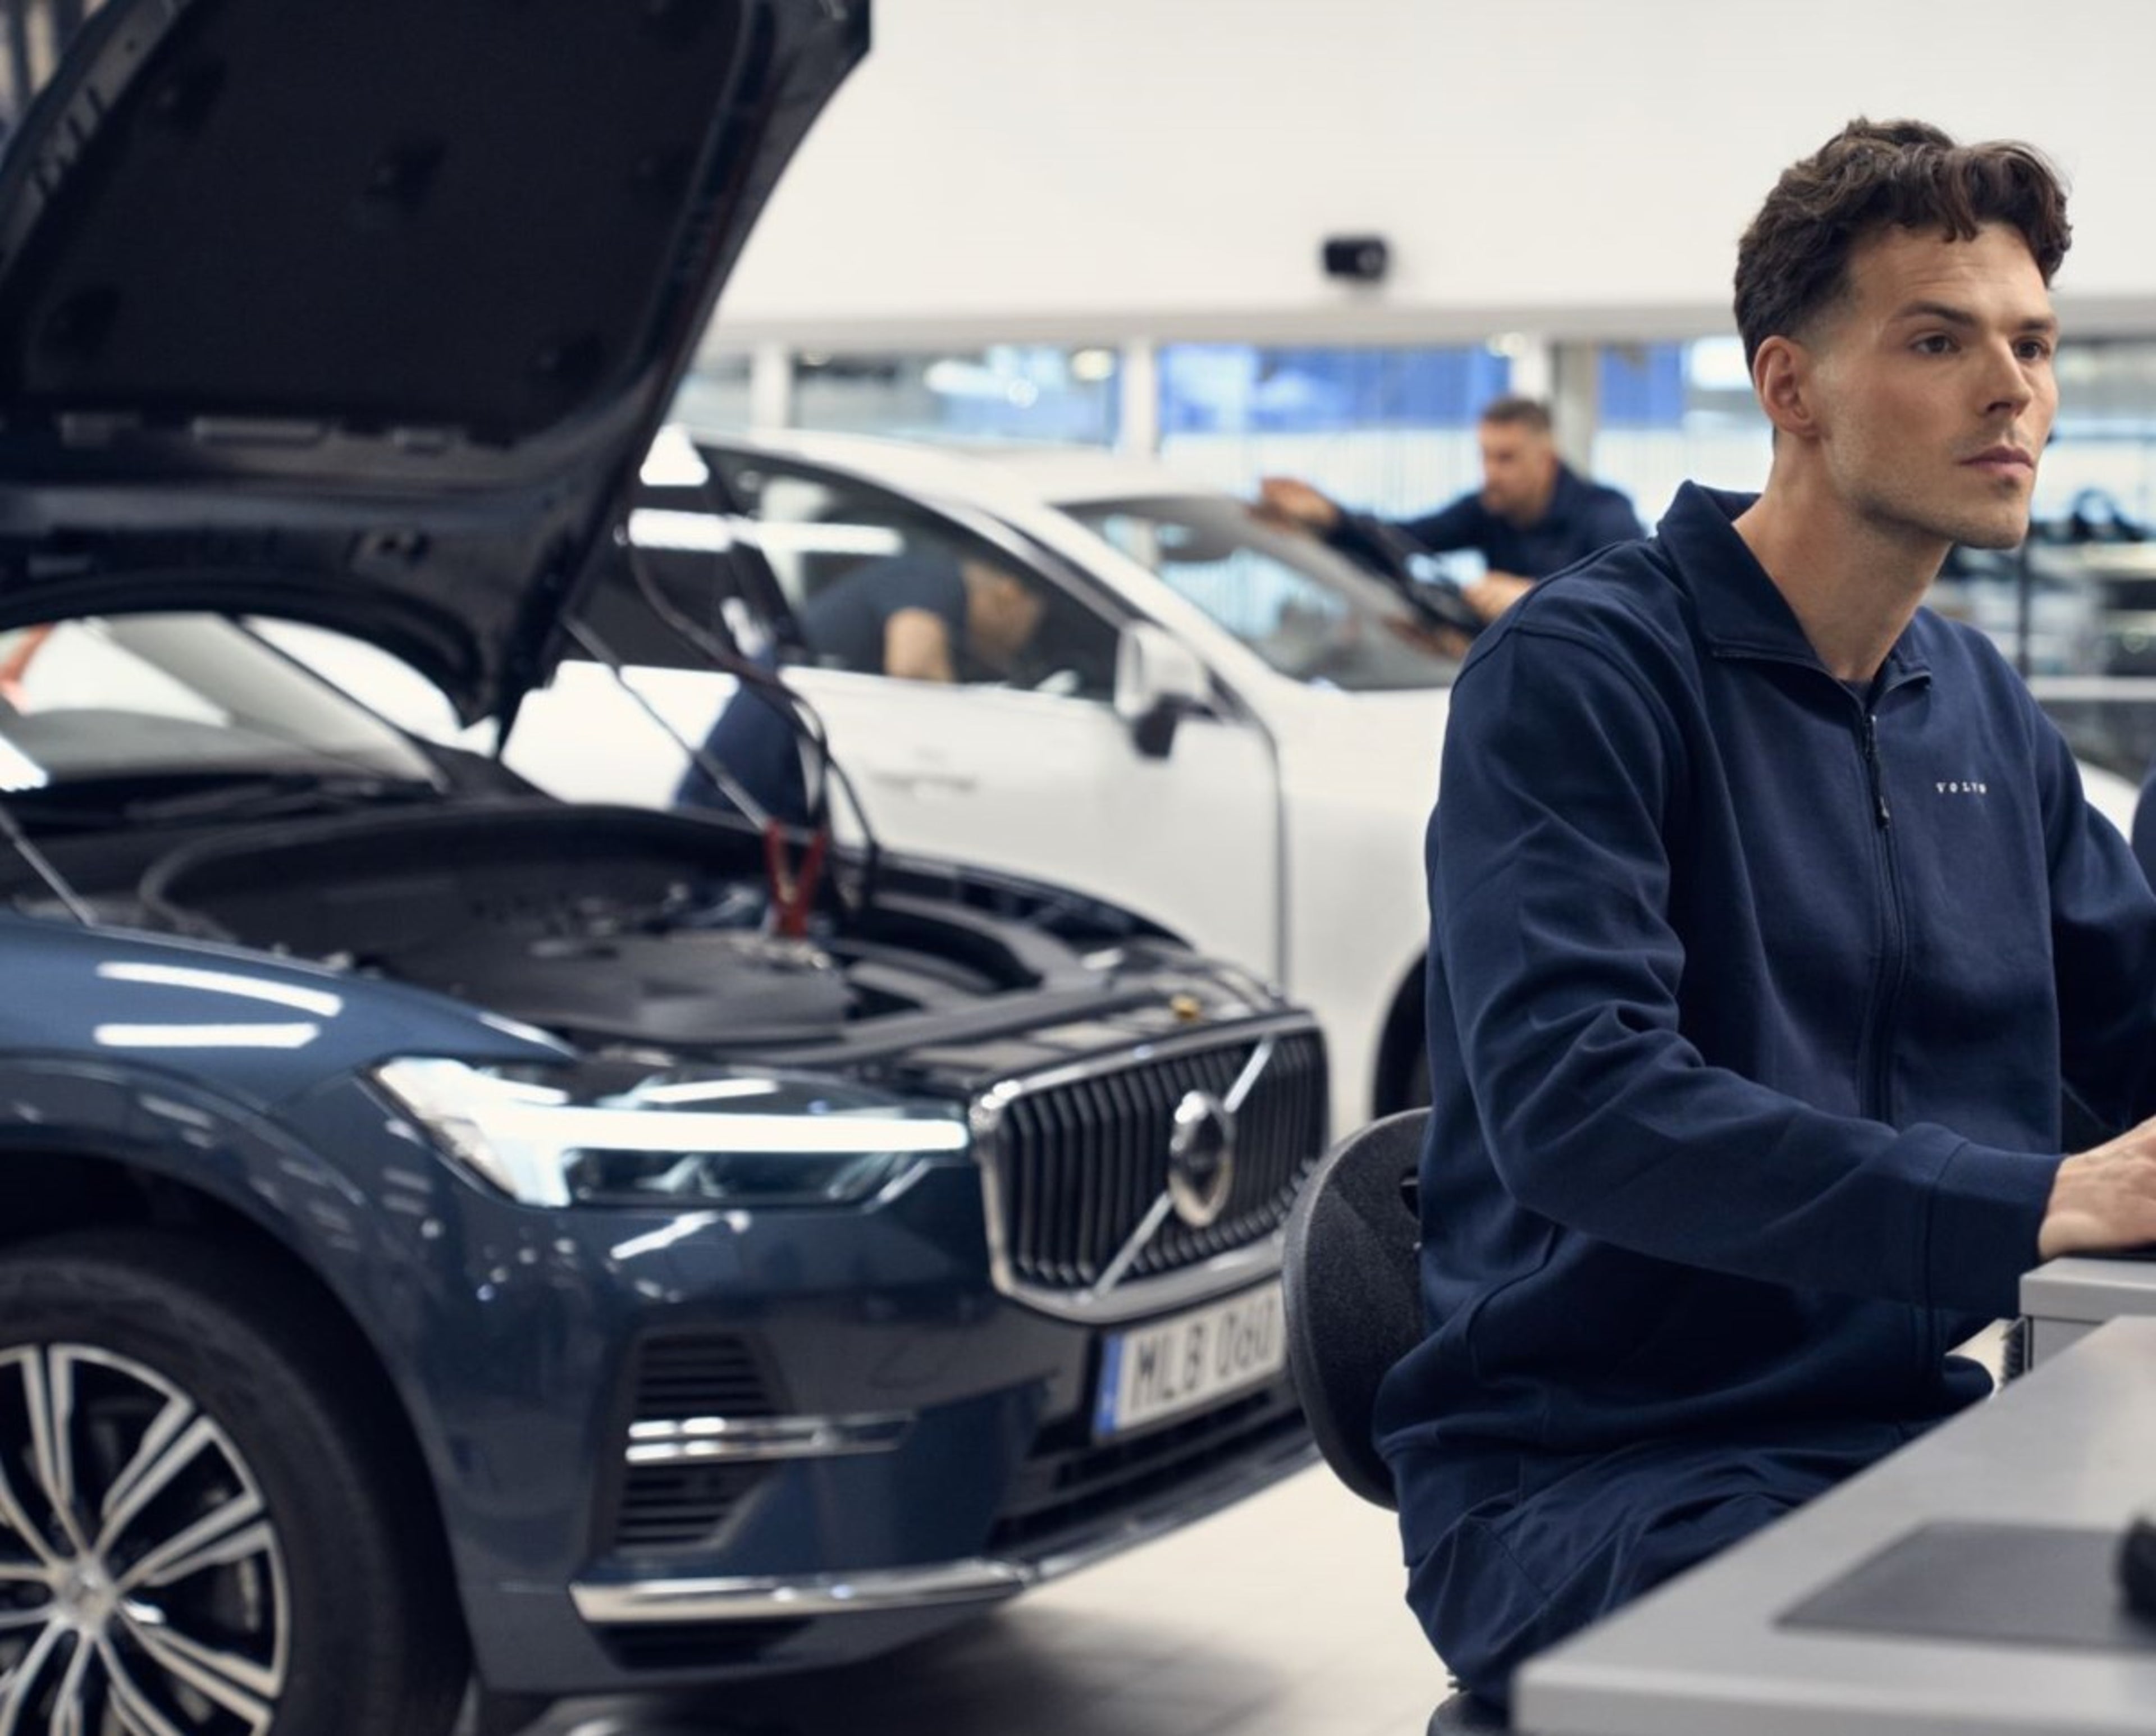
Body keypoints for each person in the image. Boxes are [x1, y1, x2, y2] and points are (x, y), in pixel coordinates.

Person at [1371, 117, 2156, 1720]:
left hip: (1904, 1428)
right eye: (1937, 340)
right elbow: (1581, 1105)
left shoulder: (1974, 704)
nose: (2010, 390)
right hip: (1592, 1472)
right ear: (1789, 387)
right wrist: (2030, 1198)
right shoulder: (1582, 676)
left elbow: (2135, 1020)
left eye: (2030, 344)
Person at [675, 549, 1045, 824]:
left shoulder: (925, 583)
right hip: (747, 785)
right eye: (1033, 625)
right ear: (1010, 594)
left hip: (772, 779)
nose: (1023, 643)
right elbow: (914, 664)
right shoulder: (935, 576)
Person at [1257, 396, 1643, 624]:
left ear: (1546, 461)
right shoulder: (1487, 509)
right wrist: (1331, 517)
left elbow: (1635, 596)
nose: (1491, 473)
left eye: (1506, 459)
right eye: (1485, 457)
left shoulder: (1606, 513)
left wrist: (1535, 594)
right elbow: (1404, 539)